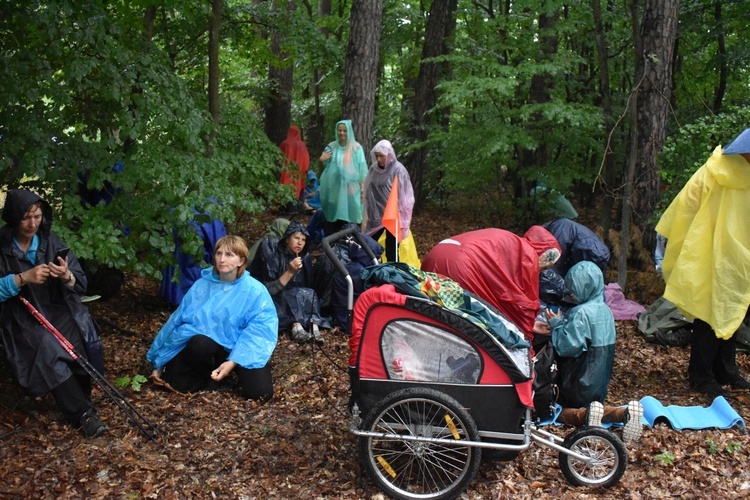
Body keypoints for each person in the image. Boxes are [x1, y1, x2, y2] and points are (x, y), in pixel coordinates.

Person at [0, 189, 107, 437]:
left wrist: (66, 276)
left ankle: (80, 397)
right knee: (47, 345)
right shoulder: (3, 245)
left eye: (37, 216)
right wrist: (22, 278)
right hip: (20, 318)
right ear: (15, 216)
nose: (32, 223)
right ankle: (82, 413)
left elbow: (80, 283)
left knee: (77, 333)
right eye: (26, 217)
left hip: (55, 309)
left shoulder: (51, 241)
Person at [655, 128, 750, 400]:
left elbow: (686, 204)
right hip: (709, 254)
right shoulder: (713, 172)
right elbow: (688, 204)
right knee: (708, 316)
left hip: (736, 259)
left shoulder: (723, 172)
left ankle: (725, 370)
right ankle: (700, 376)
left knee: (731, 313)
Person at [147, 235, 278, 401]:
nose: (222, 259)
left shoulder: (255, 290)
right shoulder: (202, 286)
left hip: (241, 348)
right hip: (210, 349)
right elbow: (178, 322)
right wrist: (160, 360)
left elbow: (260, 330)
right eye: (219, 254)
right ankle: (207, 378)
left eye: (229, 255)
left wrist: (233, 362)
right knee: (197, 345)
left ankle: (225, 371)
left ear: (241, 261)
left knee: (261, 394)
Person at [546, 261, 642, 442]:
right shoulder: (606, 310)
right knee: (596, 405)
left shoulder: (581, 312)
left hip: (577, 383)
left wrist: (556, 324)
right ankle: (624, 413)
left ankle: (589, 416)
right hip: (599, 385)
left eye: (574, 289)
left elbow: (566, 347)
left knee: (555, 413)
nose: (571, 294)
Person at [421, 226, 561, 339]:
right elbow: (522, 303)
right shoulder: (528, 256)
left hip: (436, 255)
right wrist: (526, 329)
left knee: (437, 311)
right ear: (544, 256)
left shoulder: (510, 240)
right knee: (465, 322)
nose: (541, 272)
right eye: (544, 268)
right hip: (461, 266)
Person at [249, 221, 330, 342]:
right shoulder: (272, 251)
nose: (300, 243)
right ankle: (296, 326)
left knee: (310, 293)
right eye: (296, 238)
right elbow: (270, 290)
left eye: (303, 240)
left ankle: (314, 327)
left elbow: (307, 286)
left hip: (294, 294)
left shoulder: (305, 257)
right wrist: (290, 271)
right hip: (272, 296)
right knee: (290, 295)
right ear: (287, 239)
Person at [362, 139, 415, 262]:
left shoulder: (398, 170)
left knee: (391, 250)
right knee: (368, 245)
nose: (379, 159)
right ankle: (371, 269)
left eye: (382, 156)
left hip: (393, 216)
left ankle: (392, 275)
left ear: (389, 155)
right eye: (377, 156)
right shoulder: (374, 170)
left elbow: (406, 196)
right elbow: (368, 191)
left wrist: (404, 220)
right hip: (375, 215)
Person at [318, 119, 368, 234]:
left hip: (351, 191)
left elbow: (362, 170)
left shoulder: (356, 148)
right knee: (334, 221)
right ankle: (333, 248)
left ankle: (349, 247)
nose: (342, 133)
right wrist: (321, 160)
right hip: (334, 191)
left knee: (351, 219)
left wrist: (362, 189)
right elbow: (325, 168)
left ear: (349, 131)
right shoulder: (331, 147)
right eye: (339, 130)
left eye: (344, 131)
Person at [279, 125, 310, 201]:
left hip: (286, 171)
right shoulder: (302, 145)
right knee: (299, 186)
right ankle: (299, 207)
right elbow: (306, 160)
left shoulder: (284, 144)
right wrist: (304, 170)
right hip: (299, 172)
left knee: (286, 184)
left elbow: (279, 157)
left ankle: (285, 207)